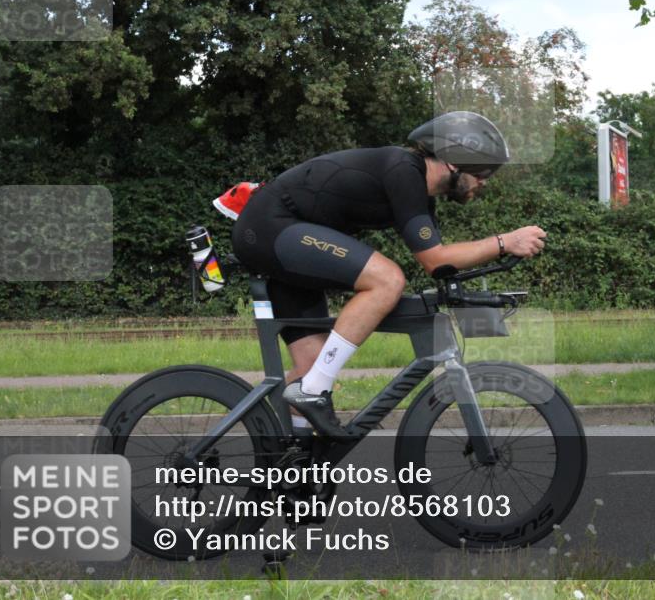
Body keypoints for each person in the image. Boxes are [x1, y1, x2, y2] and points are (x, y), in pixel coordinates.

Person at [227, 111, 547, 440]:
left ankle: (296, 469)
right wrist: (504, 242)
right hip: (269, 228)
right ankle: (312, 393)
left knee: (311, 368)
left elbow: (441, 262)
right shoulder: (404, 171)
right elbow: (435, 260)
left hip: (283, 239)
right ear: (453, 161)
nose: (484, 181)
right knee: (387, 280)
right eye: (483, 170)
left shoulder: (417, 193)